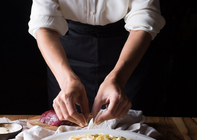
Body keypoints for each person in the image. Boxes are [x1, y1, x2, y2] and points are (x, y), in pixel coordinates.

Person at [28, 0, 165, 127]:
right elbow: (43, 24)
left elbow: (144, 18)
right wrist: (66, 81)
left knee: (128, 128)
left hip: (127, 48)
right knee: (66, 124)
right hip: (64, 51)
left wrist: (117, 78)